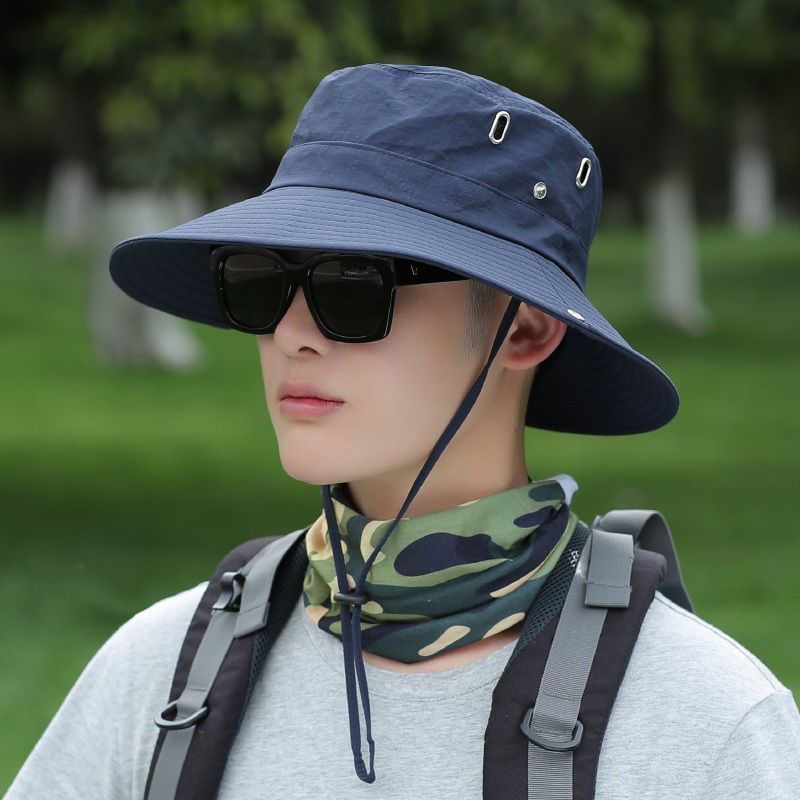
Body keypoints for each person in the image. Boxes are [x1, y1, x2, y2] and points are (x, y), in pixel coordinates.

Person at [5, 63, 799, 800]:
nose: (290, 335)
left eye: (353, 287)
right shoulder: (162, 679)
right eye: (259, 282)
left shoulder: (705, 723)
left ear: (524, 330)